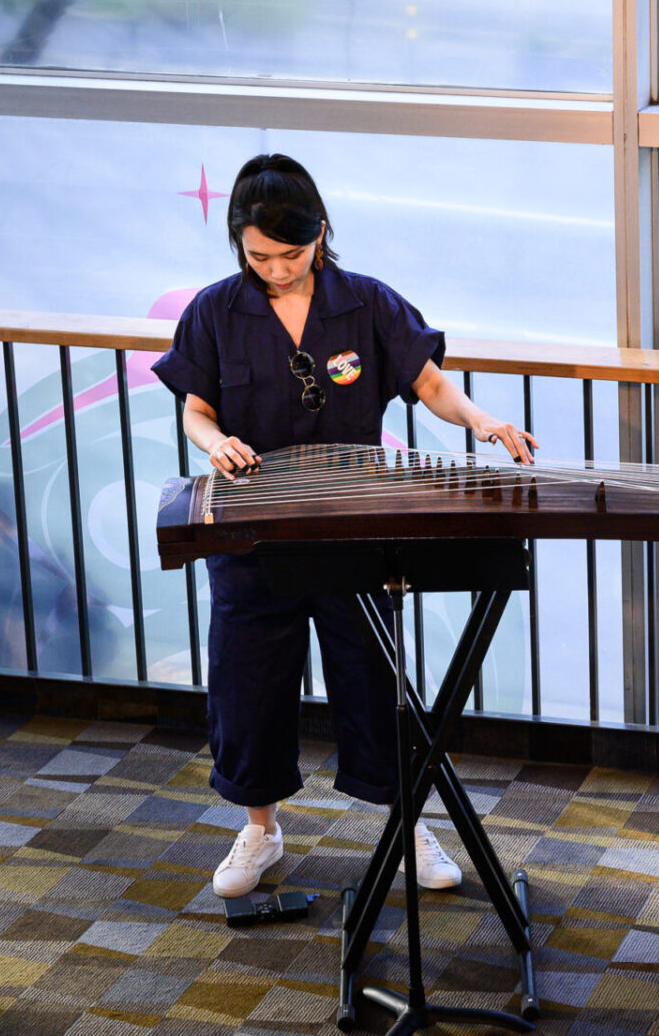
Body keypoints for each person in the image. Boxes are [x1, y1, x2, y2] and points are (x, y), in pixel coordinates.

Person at [153, 154, 537, 900]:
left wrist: (480, 418)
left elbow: (427, 384)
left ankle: (408, 826)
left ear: (320, 235)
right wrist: (213, 442)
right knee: (249, 681)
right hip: (254, 530)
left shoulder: (364, 303)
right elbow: (196, 407)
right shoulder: (213, 311)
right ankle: (260, 830)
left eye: (290, 255)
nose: (274, 269)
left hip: (352, 530)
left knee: (372, 679)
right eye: (257, 256)